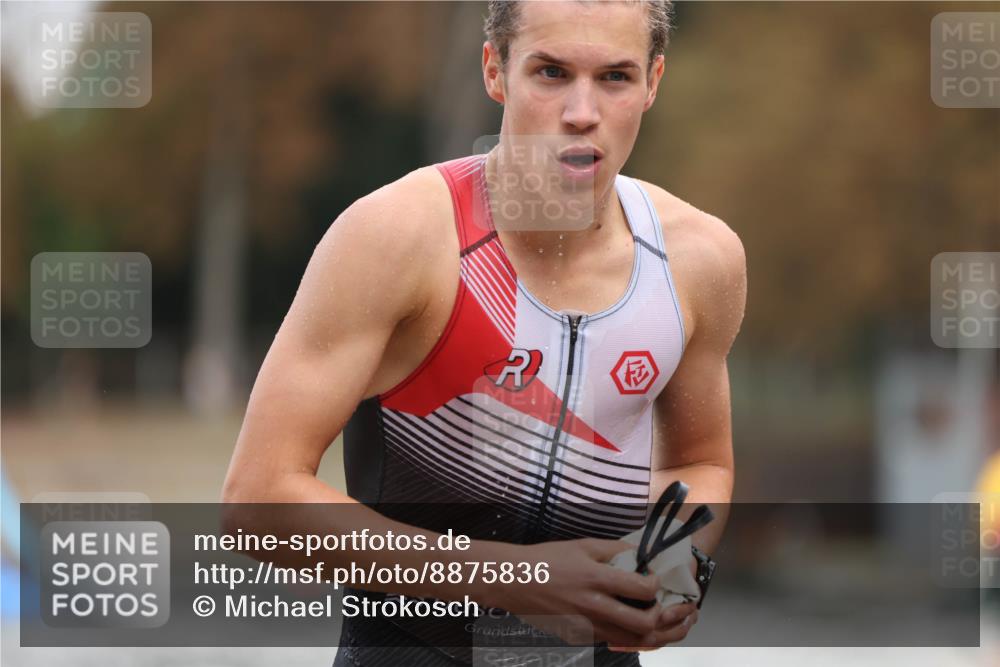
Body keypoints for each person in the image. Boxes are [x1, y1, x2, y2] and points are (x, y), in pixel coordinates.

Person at [222, 1, 746, 664]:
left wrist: (672, 558)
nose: (582, 111)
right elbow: (257, 499)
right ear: (494, 70)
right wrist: (516, 579)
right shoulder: (397, 239)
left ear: (653, 82)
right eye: (551, 72)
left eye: (614, 77)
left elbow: (698, 462)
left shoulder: (700, 259)